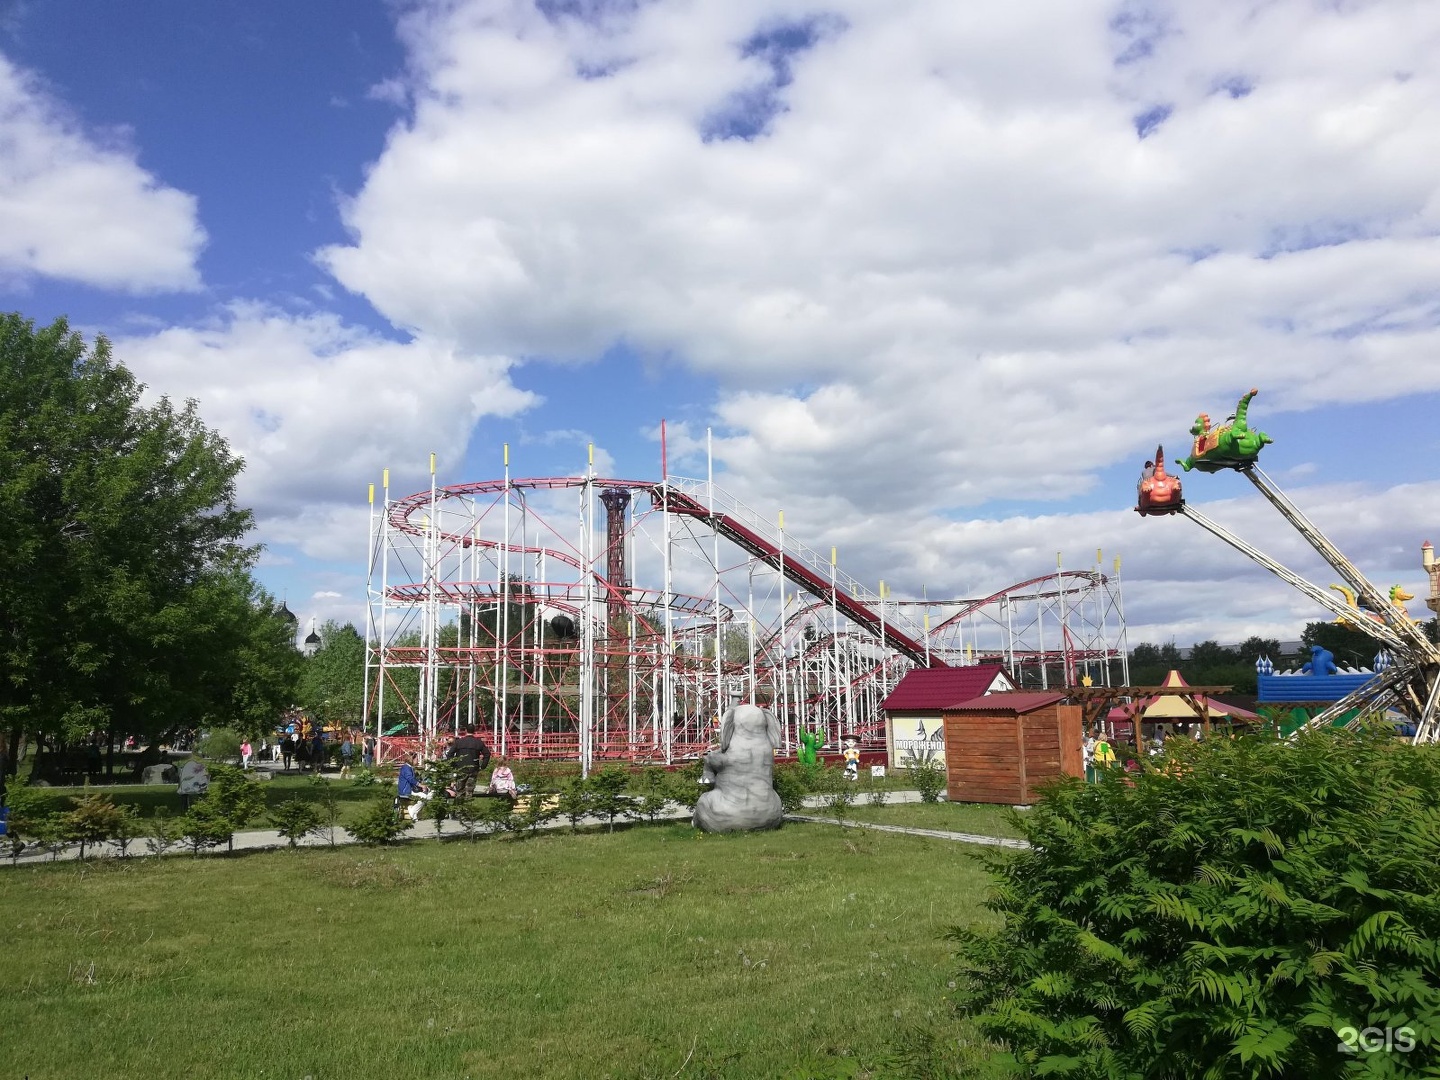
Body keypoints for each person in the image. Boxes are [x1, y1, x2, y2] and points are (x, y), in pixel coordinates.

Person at [446, 724, 491, 798]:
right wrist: (483, 766)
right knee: (469, 792)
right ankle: (467, 807)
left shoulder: (459, 742)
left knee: (459, 791)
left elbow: (450, 754)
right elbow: (487, 754)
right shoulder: (478, 742)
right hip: (473, 769)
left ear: (466, 730)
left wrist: (454, 765)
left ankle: (459, 808)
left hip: (461, 769)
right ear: (474, 731)